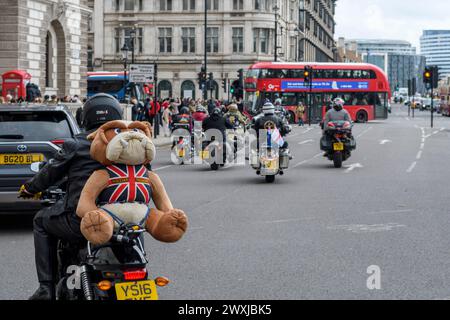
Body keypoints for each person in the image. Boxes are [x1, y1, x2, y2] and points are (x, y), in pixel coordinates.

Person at [18, 93, 124, 300]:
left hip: (83, 219)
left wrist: (30, 188)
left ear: (86, 118)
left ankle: (46, 288)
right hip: (124, 220)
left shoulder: (77, 143)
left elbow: (49, 173)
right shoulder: (129, 142)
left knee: (41, 220)